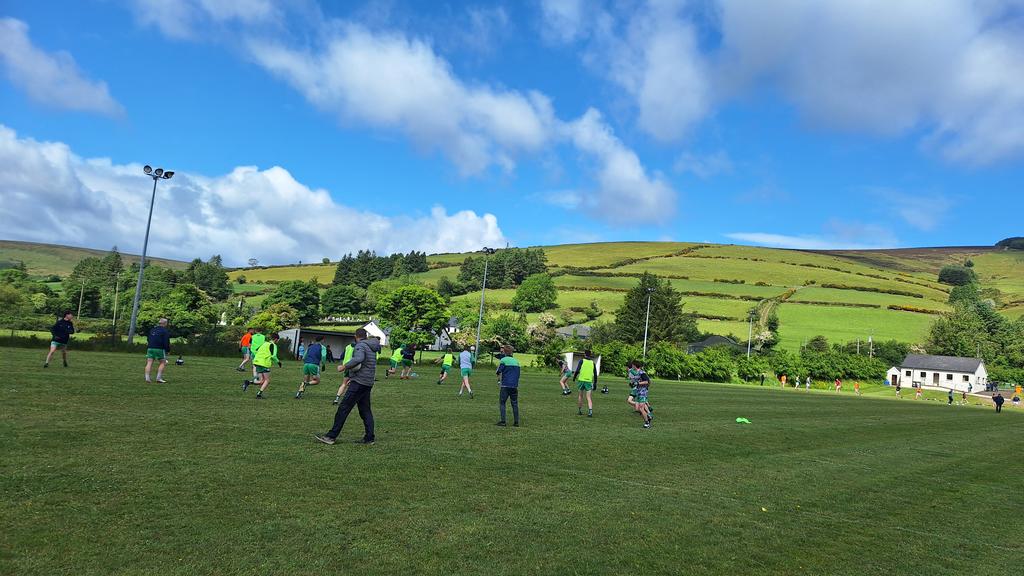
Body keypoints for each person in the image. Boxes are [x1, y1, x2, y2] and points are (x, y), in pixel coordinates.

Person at [315, 328, 380, 445]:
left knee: (343, 409)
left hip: (359, 383)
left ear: (356, 336)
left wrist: (344, 367)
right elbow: (366, 365)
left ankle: (331, 436)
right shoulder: (372, 347)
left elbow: (358, 359)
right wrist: (353, 377)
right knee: (365, 410)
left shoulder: (360, 346)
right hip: (367, 382)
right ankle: (369, 438)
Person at [244, 332, 281, 399]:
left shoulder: (264, 343)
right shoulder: (273, 345)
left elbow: (256, 350)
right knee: (267, 380)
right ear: (276, 339)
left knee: (262, 381)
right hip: (264, 363)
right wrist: (278, 362)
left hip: (257, 362)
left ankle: (248, 382)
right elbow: (274, 356)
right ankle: (259, 394)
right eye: (278, 340)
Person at [495, 345, 521, 427]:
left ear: (504, 352)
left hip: (505, 385)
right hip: (514, 386)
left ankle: (503, 421)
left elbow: (498, 371)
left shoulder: (503, 360)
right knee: (514, 404)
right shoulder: (517, 362)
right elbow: (518, 375)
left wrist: (499, 379)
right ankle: (516, 422)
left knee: (502, 403)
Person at [144, 318, 171, 383]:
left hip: (150, 348)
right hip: (159, 348)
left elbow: (148, 338)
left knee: (149, 362)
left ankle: (147, 378)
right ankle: (158, 378)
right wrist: (168, 350)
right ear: (165, 323)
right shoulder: (165, 331)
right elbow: (166, 341)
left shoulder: (153, 330)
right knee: (162, 362)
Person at [573, 350, 598, 417]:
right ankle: (590, 412)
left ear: (584, 354)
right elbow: (595, 374)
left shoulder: (582, 361)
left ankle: (580, 410)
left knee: (580, 396)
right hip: (589, 381)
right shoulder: (593, 363)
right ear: (590, 355)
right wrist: (595, 383)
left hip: (581, 380)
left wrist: (574, 377)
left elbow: (577, 370)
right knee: (589, 397)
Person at [633, 364, 652, 428]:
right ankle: (648, 416)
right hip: (639, 392)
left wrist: (638, 383)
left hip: (642, 393)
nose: (632, 367)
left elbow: (647, 381)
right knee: (638, 408)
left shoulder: (642, 373)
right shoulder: (638, 373)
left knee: (641, 408)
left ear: (635, 366)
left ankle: (647, 423)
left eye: (633, 366)